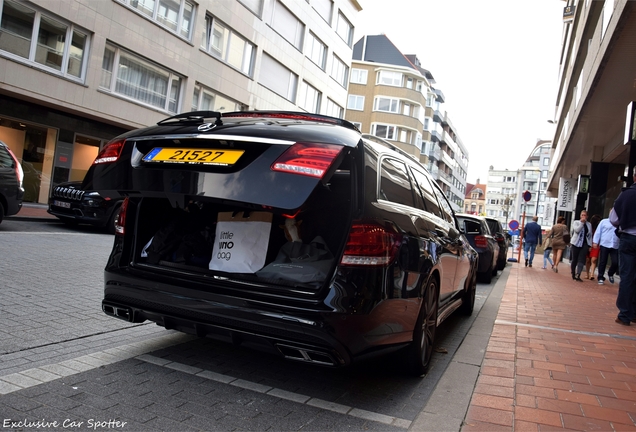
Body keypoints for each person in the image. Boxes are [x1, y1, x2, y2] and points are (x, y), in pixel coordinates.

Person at [610, 165, 636, 326]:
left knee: (627, 276)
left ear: (634, 177)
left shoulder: (626, 195)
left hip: (628, 238)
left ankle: (625, 314)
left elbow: (613, 219)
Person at [594, 215, 620, 285]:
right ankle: (600, 277)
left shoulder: (619, 222)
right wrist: (595, 242)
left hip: (615, 245)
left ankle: (610, 273)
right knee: (603, 261)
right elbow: (598, 232)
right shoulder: (604, 221)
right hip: (605, 244)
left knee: (616, 262)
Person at [570, 210, 593, 282]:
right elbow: (577, 230)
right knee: (574, 259)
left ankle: (578, 274)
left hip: (584, 243)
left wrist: (590, 245)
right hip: (576, 243)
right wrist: (582, 223)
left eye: (585, 215)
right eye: (582, 215)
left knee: (582, 259)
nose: (583, 217)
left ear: (587, 216)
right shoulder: (576, 222)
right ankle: (573, 273)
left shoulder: (589, 224)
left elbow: (590, 235)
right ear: (580, 216)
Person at [585, 214, 602, 280]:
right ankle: (587, 274)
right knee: (587, 260)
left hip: (596, 244)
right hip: (589, 244)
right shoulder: (589, 227)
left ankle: (592, 274)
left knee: (594, 259)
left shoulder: (600, 228)